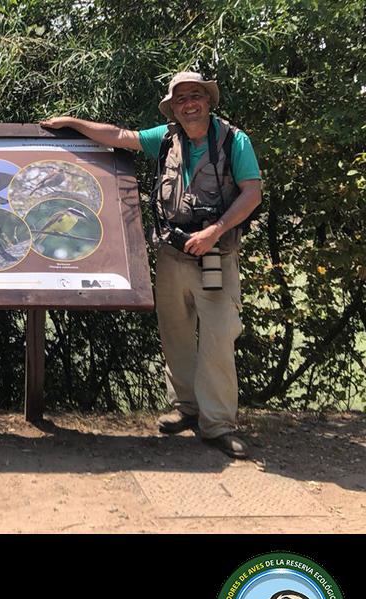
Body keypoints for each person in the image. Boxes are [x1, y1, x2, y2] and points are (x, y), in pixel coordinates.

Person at [41, 72, 262, 458]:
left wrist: (215, 230)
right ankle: (188, 409)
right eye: (181, 99)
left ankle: (219, 425)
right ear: (173, 108)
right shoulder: (166, 138)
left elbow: (252, 193)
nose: (189, 104)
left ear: (208, 101)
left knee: (217, 339)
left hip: (216, 256)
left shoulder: (234, 140)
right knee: (175, 334)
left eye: (196, 96)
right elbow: (118, 136)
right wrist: (73, 123)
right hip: (172, 255)